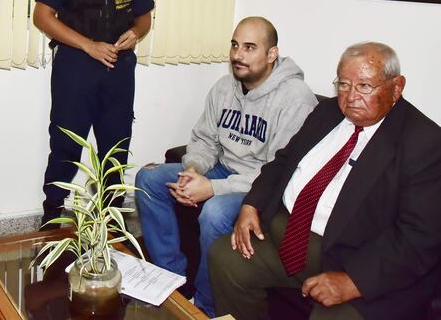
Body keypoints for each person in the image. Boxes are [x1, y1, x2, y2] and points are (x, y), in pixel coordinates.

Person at [210, 42, 441, 320]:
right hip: (287, 238)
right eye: (343, 84)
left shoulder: (424, 143)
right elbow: (282, 162)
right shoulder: (327, 113)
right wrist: (251, 205)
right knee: (225, 257)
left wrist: (354, 281)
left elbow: (418, 237)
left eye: (365, 86)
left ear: (396, 87)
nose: (351, 96)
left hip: (355, 259)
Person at [135, 17, 317, 316]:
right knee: (149, 178)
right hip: (222, 170)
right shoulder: (225, 87)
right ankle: (172, 281)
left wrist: (212, 188)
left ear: (272, 55)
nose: (237, 55)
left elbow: (278, 173)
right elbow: (204, 139)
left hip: (261, 187)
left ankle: (206, 306)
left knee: (215, 211)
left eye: (249, 47)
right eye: (235, 45)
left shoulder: (296, 99)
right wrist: (193, 169)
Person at [33, 0, 155, 228]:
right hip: (76, 68)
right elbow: (42, 16)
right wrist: (88, 45)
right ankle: (52, 213)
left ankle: (108, 218)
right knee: (66, 145)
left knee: (115, 148)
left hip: (118, 68)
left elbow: (144, 13)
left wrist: (138, 32)